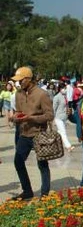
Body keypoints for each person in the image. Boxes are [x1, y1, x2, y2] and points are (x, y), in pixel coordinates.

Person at [10, 67, 54, 200]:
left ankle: (45, 194)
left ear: (28, 79)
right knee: (18, 162)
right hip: (24, 134)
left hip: (38, 134)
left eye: (21, 80)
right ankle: (27, 190)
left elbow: (49, 116)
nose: (19, 83)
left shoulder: (41, 94)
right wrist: (15, 118)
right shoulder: (18, 94)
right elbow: (18, 111)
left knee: (42, 164)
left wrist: (31, 118)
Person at [53, 83, 73, 152]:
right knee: (63, 132)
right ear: (60, 89)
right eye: (63, 88)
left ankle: (54, 144)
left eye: (65, 88)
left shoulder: (65, 96)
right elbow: (54, 108)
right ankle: (68, 146)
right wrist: (52, 118)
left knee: (60, 132)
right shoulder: (57, 97)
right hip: (58, 117)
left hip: (64, 117)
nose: (65, 90)